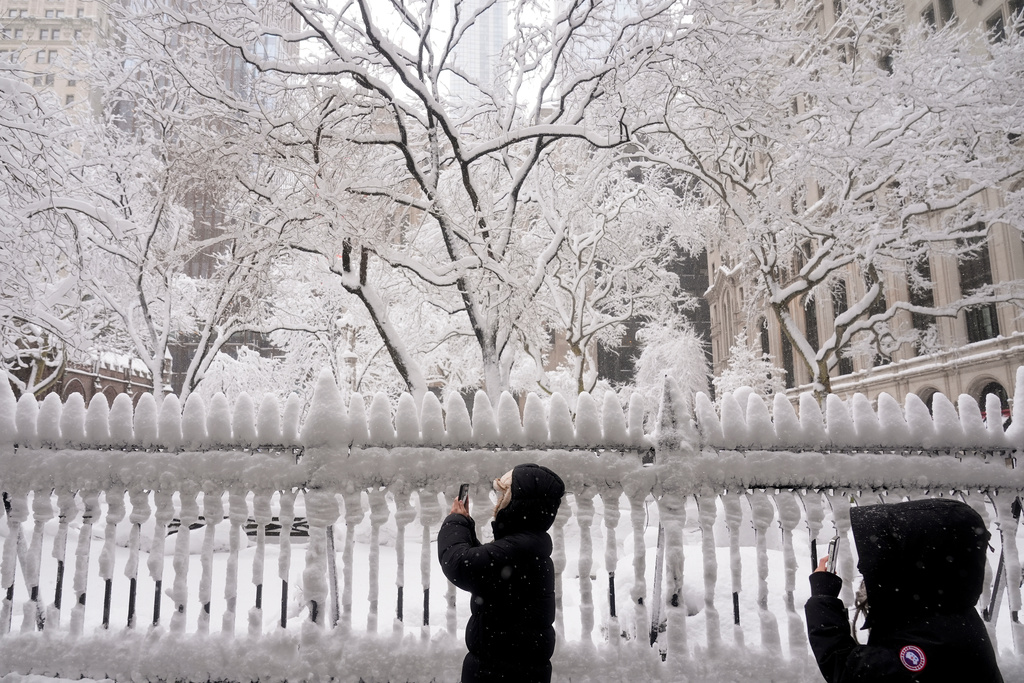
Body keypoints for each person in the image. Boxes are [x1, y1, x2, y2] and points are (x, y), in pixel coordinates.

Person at [805, 498, 1004, 682]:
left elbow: (851, 671)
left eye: (881, 557)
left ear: (917, 564)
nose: (862, 567)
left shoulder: (931, 641)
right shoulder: (940, 611)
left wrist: (823, 598)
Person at [437, 463, 565, 683]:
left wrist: (456, 521)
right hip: (513, 668)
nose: (497, 503)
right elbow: (486, 570)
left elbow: (459, 564)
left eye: (503, 495)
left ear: (516, 505)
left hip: (499, 672)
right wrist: (466, 525)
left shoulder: (516, 550)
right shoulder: (527, 546)